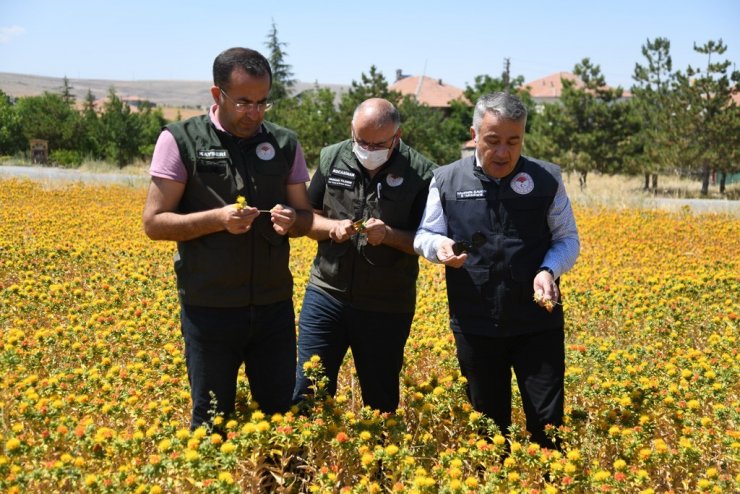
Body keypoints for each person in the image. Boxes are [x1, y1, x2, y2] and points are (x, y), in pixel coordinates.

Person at [142, 47, 312, 429]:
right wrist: (218, 220)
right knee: (211, 421)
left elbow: (305, 218)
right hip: (209, 310)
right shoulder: (180, 139)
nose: (254, 113)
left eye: (263, 102)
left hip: (273, 309)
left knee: (279, 418)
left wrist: (292, 220)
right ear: (217, 95)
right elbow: (154, 223)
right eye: (244, 102)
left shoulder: (284, 143)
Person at [414, 92, 580, 448]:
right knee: (489, 432)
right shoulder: (446, 180)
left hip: (538, 322)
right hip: (475, 323)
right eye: (493, 141)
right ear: (474, 135)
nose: (503, 152)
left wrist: (548, 270)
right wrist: (438, 248)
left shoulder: (546, 178)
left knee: (549, 426)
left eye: (513, 141)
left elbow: (567, 239)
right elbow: (425, 234)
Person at [293, 98, 437, 413]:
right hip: (326, 291)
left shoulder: (423, 173)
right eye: (362, 141)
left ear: (396, 137)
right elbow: (307, 217)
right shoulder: (332, 158)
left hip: (386, 302)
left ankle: (377, 461)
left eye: (379, 144)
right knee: (308, 389)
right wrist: (331, 228)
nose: (368, 149)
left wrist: (389, 236)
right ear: (352, 131)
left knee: (380, 398)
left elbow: (429, 239)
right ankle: (299, 462)